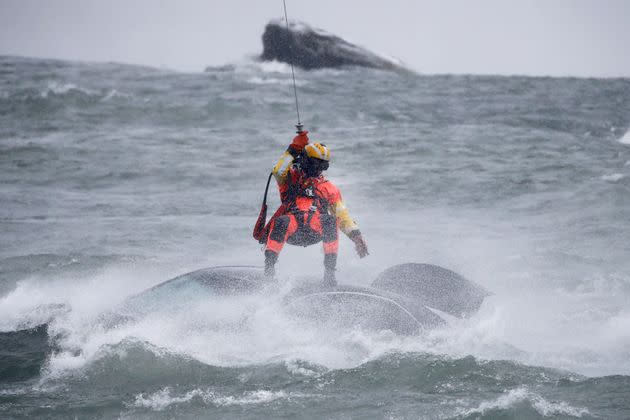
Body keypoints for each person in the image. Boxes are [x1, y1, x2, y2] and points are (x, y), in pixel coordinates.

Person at [263, 130, 368, 286]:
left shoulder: (329, 189)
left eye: (321, 166)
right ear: (305, 161)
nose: (317, 169)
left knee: (331, 221)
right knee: (281, 221)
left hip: (315, 230)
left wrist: (357, 237)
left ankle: (329, 276)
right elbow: (278, 170)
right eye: (314, 164)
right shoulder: (289, 179)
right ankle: (269, 274)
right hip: (292, 228)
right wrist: (294, 148)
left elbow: (343, 217)